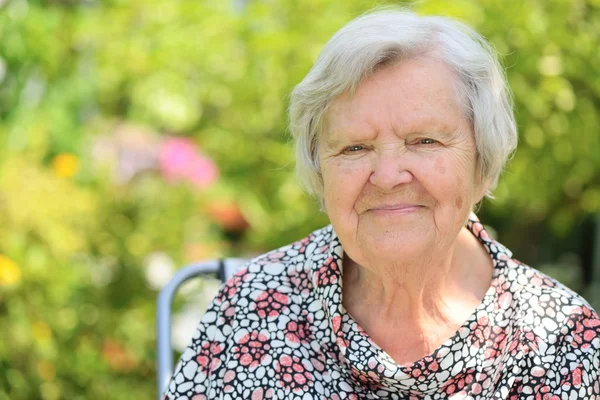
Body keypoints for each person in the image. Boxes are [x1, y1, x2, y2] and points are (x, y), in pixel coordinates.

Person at [163, 9, 600, 399]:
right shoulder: (253, 308)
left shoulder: (561, 342)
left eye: (424, 141)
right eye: (354, 148)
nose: (388, 176)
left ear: (482, 166)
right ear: (320, 170)